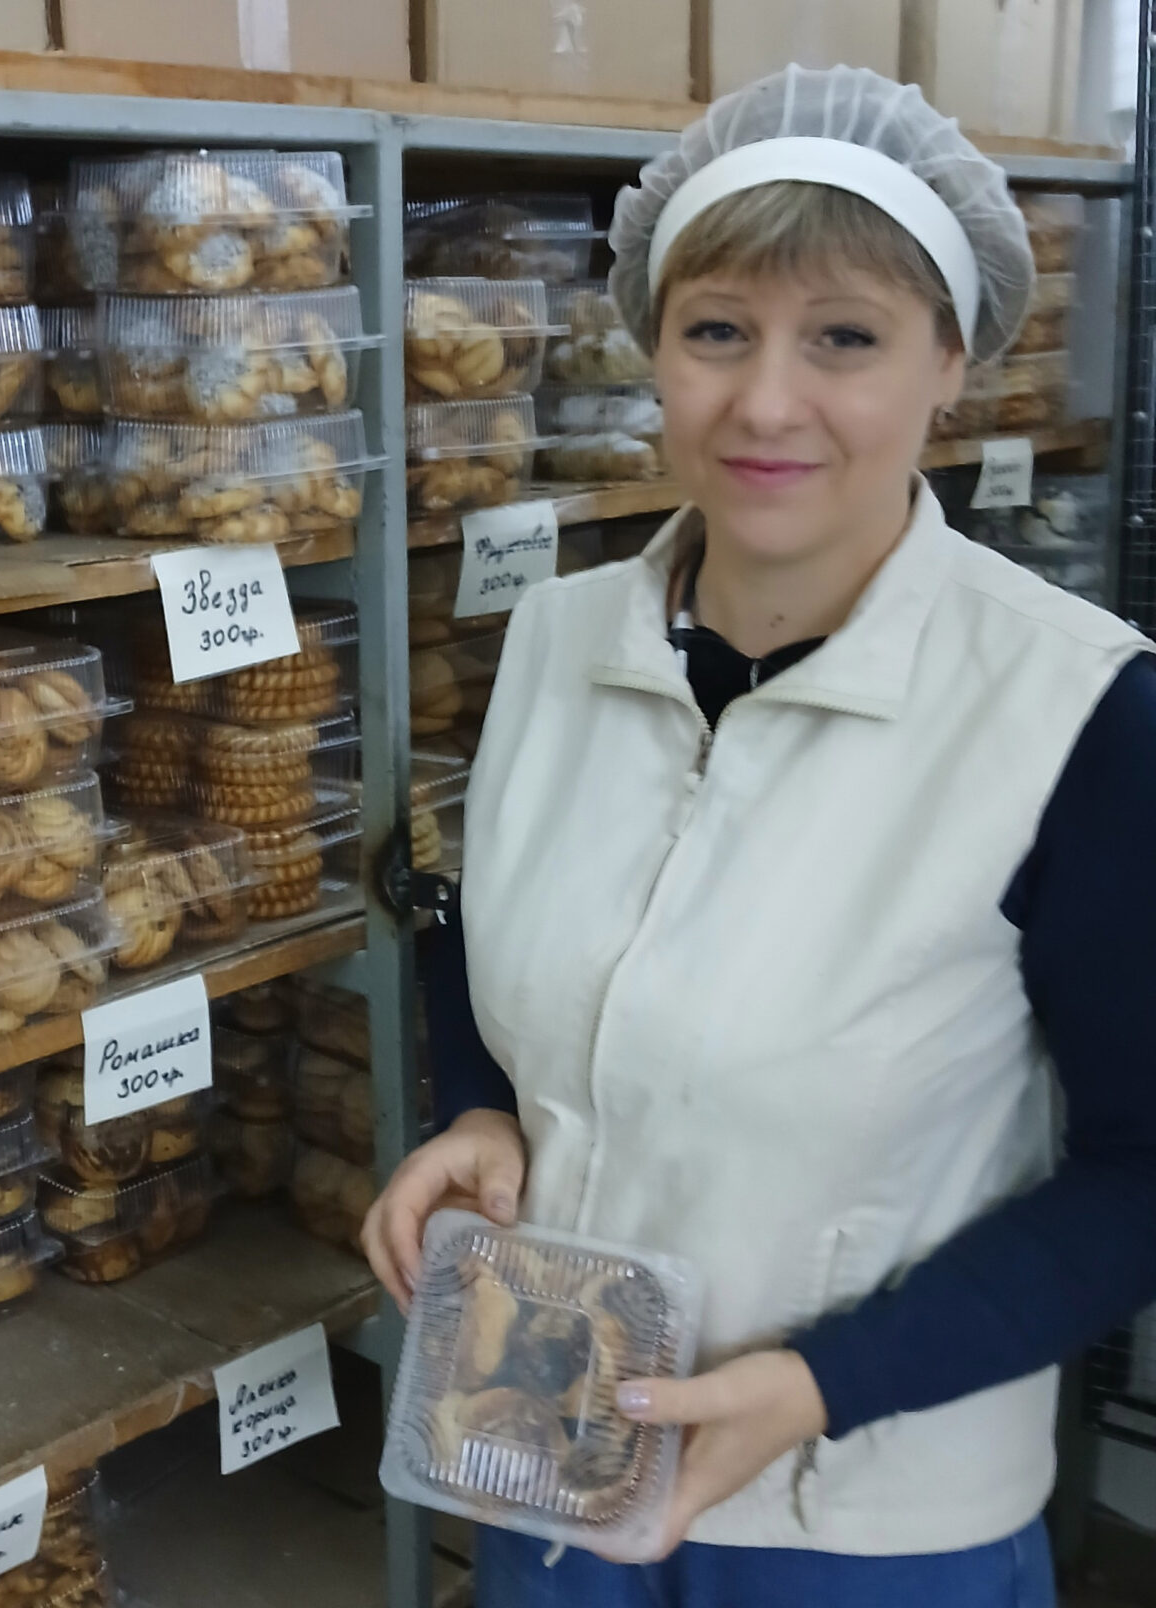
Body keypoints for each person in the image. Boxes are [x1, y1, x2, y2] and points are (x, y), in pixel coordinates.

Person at [364, 64, 1156, 1607]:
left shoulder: (1076, 717)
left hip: (862, 1528)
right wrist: (482, 1114)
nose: (767, 402)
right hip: (548, 1455)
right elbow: (480, 935)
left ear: (952, 360)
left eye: (844, 338)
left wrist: (819, 1385)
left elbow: (1143, 1173)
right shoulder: (554, 641)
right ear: (652, 347)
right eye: (718, 330)